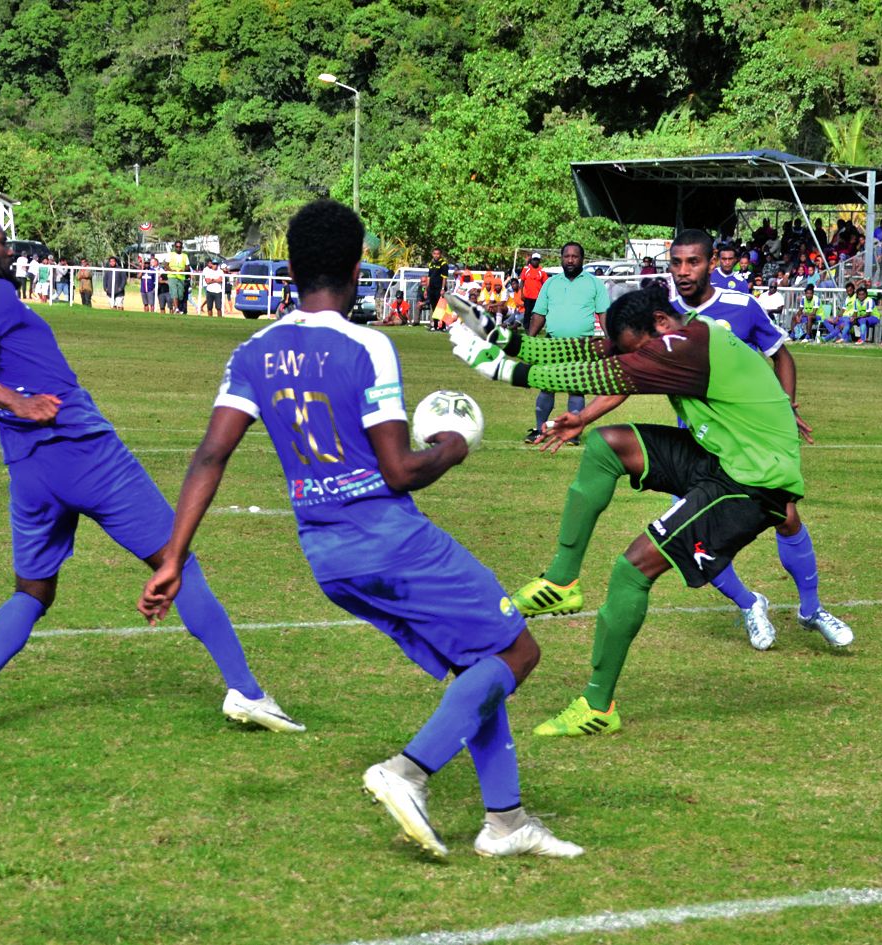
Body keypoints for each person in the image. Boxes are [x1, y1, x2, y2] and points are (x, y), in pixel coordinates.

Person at [139, 199, 581, 859]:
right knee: (517, 652)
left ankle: (506, 820)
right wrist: (453, 448)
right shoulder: (368, 345)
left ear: (290, 271)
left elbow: (210, 455)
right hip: (388, 538)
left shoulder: (253, 352)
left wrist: (173, 557)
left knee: (476, 664)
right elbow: (400, 470)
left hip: (327, 556)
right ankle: (408, 770)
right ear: (356, 270)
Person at [0, 202, 300, 733]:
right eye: (1, 241)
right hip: (82, 451)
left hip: (29, 469)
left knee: (32, 591)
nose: (9, 250)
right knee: (178, 562)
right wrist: (18, 401)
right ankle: (247, 692)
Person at [449, 285, 806, 736]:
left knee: (632, 570)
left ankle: (598, 707)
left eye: (635, 349)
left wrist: (501, 369)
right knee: (606, 445)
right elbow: (580, 352)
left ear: (659, 323)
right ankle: (561, 581)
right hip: (721, 456)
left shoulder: (687, 345)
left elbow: (594, 375)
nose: (634, 359)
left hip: (753, 482)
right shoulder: (674, 338)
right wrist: (500, 334)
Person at [657, 230, 848, 650]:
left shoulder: (742, 306)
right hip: (695, 443)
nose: (683, 271)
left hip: (750, 443)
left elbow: (781, 354)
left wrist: (785, 407)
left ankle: (812, 608)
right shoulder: (665, 316)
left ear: (712, 264)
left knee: (786, 516)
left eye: (693, 262)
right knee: (696, 538)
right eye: (676, 263)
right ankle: (749, 604)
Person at [523, 242, 608, 445]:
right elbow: (539, 314)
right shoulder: (550, 283)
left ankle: (573, 433)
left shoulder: (594, 283)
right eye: (566, 256)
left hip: (582, 345)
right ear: (561, 259)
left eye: (574, 256)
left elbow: (604, 313)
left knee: (576, 388)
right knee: (547, 387)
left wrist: (611, 340)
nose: (570, 260)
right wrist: (529, 340)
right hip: (552, 344)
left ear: (582, 259)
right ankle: (540, 429)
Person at [520, 252, 549, 328]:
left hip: (538, 297)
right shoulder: (526, 269)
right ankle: (526, 327)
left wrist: (545, 296)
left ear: (539, 261)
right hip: (527, 296)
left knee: (536, 313)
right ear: (531, 260)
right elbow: (522, 281)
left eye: (537, 260)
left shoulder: (542, 271)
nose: (535, 261)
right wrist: (521, 293)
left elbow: (546, 284)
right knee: (527, 312)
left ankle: (535, 327)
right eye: (534, 259)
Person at [166, 241, 190, 314]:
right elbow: (166, 265)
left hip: (181, 277)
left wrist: (183, 270)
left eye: (180, 247)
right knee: (174, 293)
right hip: (172, 276)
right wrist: (171, 270)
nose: (178, 248)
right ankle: (176, 309)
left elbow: (188, 266)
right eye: (177, 247)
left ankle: (174, 308)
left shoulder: (185, 256)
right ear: (174, 247)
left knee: (180, 295)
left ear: (182, 247)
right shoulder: (170, 254)